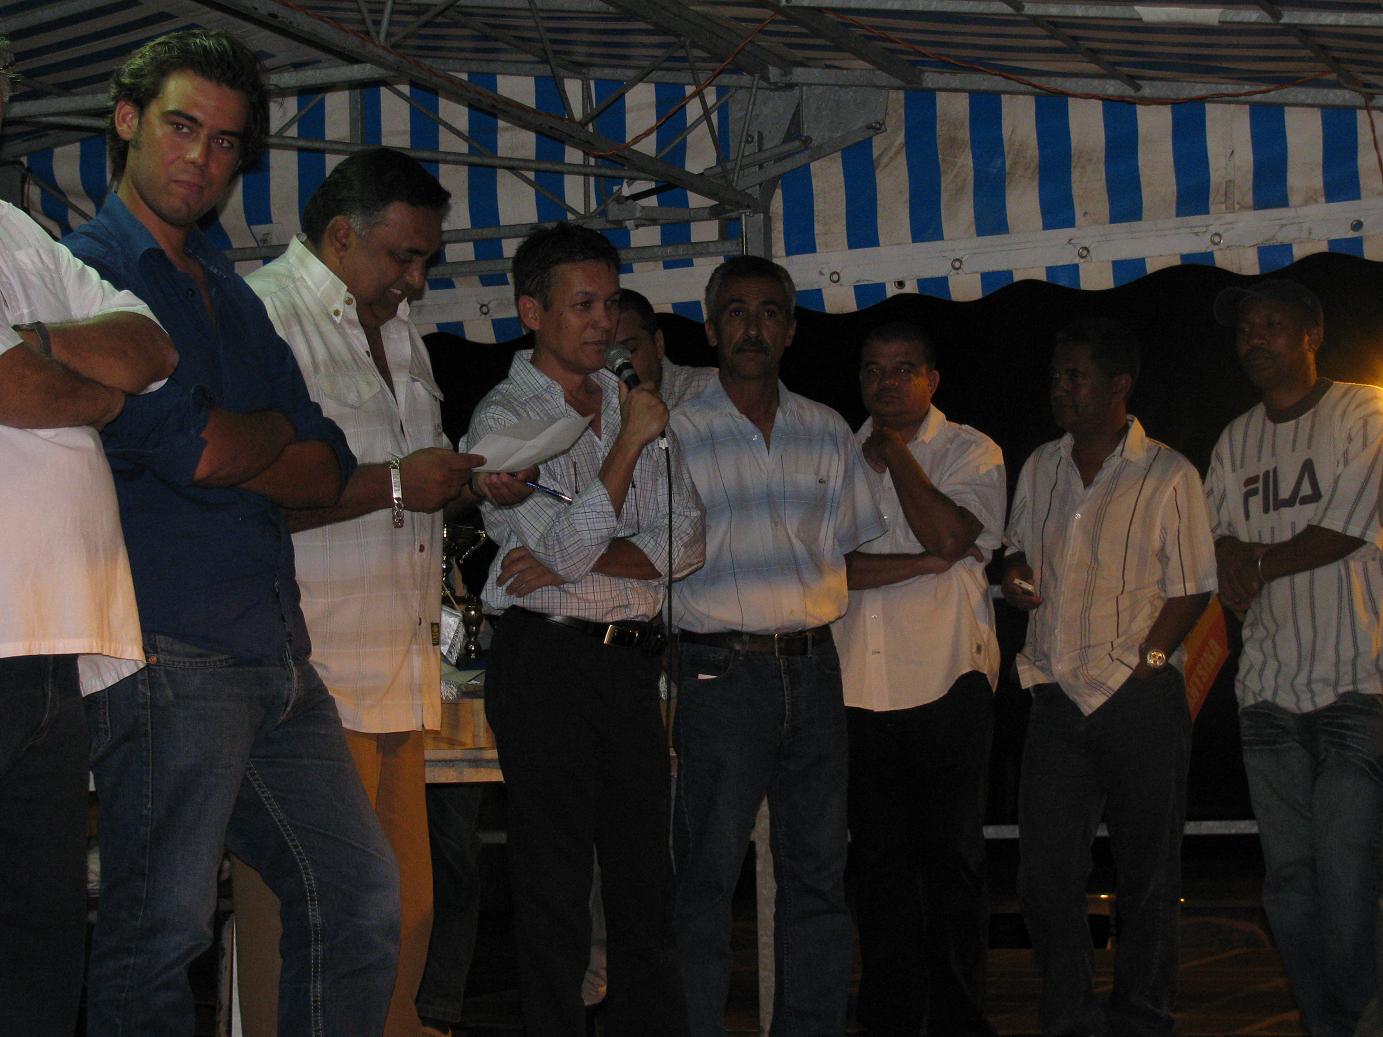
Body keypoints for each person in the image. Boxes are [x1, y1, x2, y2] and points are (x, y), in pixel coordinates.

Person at [65, 31, 400, 1036]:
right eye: (181, 128)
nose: (201, 160)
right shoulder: (86, 277)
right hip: (168, 649)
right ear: (125, 122)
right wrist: (254, 439)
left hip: (277, 651)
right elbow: (205, 450)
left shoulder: (228, 286)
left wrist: (240, 436)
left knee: (358, 897)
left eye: (224, 143)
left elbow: (327, 454)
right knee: (159, 931)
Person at [236, 147, 527, 1037]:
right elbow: (245, 493)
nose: (415, 277)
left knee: (402, 915)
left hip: (395, 671)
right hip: (303, 675)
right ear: (337, 234)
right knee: (303, 925)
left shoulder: (394, 326)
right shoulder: (264, 314)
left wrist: (466, 484)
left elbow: (401, 482)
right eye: (403, 255)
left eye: (425, 259)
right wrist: (404, 482)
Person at [463, 221, 704, 1036]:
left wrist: (585, 550)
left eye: (609, 302)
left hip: (631, 664)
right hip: (549, 664)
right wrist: (628, 448)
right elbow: (553, 549)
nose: (604, 321)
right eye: (583, 304)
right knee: (555, 885)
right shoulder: (503, 420)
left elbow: (688, 539)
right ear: (532, 310)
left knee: (644, 881)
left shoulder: (623, 395)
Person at [0, 37, 178, 1036]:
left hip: (51, 641)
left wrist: (44, 340)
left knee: (42, 932)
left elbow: (149, 343)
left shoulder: (14, 231)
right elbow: (8, 387)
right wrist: (85, 391)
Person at [669, 254, 885, 1035]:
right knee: (705, 875)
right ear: (710, 327)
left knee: (818, 877)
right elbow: (652, 553)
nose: (751, 326)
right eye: (735, 312)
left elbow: (848, 547)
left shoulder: (825, 428)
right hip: (717, 672)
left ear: (790, 330)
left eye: (767, 312)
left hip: (813, 666)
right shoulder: (679, 433)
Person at [1001, 316, 1217, 1037]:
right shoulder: (1039, 466)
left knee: (1147, 871)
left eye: (1075, 376)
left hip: (1137, 694)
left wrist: (1150, 662)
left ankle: (1142, 1012)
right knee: (1043, 873)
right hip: (1056, 693)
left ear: (1117, 384)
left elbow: (1191, 586)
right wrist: (1014, 575)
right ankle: (1068, 1012)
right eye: (1057, 375)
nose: (1060, 389)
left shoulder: (1168, 472)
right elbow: (1014, 554)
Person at [1204, 279, 1383, 1037]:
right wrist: (1227, 556)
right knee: (1287, 884)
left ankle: (1354, 1017)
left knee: (1345, 876)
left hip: (1353, 682)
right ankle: (1324, 1020)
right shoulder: (1233, 439)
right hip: (1267, 691)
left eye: (1272, 324)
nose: (1254, 338)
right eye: (1245, 327)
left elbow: (1343, 528)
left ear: (1311, 334)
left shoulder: (1363, 411)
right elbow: (1210, 538)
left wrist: (1256, 560)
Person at [833, 321, 1005, 1036]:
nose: (887, 383)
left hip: (945, 679)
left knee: (952, 864)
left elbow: (948, 535)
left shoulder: (969, 448)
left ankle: (961, 1018)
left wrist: (897, 455)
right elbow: (823, 570)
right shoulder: (836, 453)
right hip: (854, 686)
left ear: (932, 378)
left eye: (905, 369)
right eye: (874, 370)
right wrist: (915, 567)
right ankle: (889, 1016)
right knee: (875, 868)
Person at [614, 287, 716, 409]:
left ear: (658, 343)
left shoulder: (709, 389)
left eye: (629, 350)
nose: (615, 367)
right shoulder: (596, 406)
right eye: (604, 355)